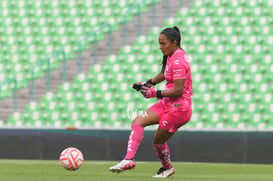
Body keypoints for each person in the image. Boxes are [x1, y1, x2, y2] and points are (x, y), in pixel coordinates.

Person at [109, 26, 193, 178]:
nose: (160, 47)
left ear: (174, 43)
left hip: (179, 109)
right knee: (138, 121)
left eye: (163, 44)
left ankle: (167, 168)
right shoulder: (171, 55)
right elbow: (164, 73)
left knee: (158, 141)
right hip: (168, 103)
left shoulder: (179, 61)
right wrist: (147, 83)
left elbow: (178, 91)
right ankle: (128, 159)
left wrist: (154, 93)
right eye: (159, 44)